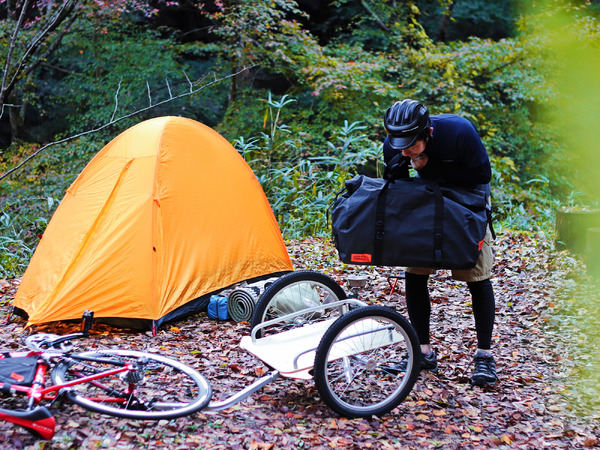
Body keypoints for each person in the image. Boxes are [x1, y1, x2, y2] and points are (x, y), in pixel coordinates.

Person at [382, 99, 497, 386]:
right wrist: (406, 166)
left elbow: (482, 175)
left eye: (411, 145)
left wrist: (429, 165)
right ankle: (423, 352)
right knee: (415, 273)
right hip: (427, 200)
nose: (404, 150)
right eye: (400, 145)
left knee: (477, 275)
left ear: (427, 133)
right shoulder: (396, 144)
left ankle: (484, 357)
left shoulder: (460, 132)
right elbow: (396, 182)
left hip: (469, 200)